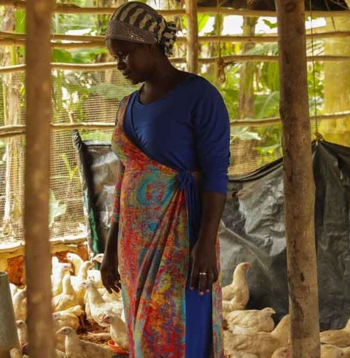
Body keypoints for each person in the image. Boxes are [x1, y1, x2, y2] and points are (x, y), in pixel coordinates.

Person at [98, 2, 230, 357]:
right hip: (133, 249)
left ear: (151, 46)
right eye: (116, 56)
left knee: (183, 327)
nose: (119, 64)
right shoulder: (127, 105)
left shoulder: (199, 96)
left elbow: (216, 175)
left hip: (181, 244)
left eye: (125, 55)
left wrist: (205, 245)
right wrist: (110, 251)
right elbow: (123, 180)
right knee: (147, 337)